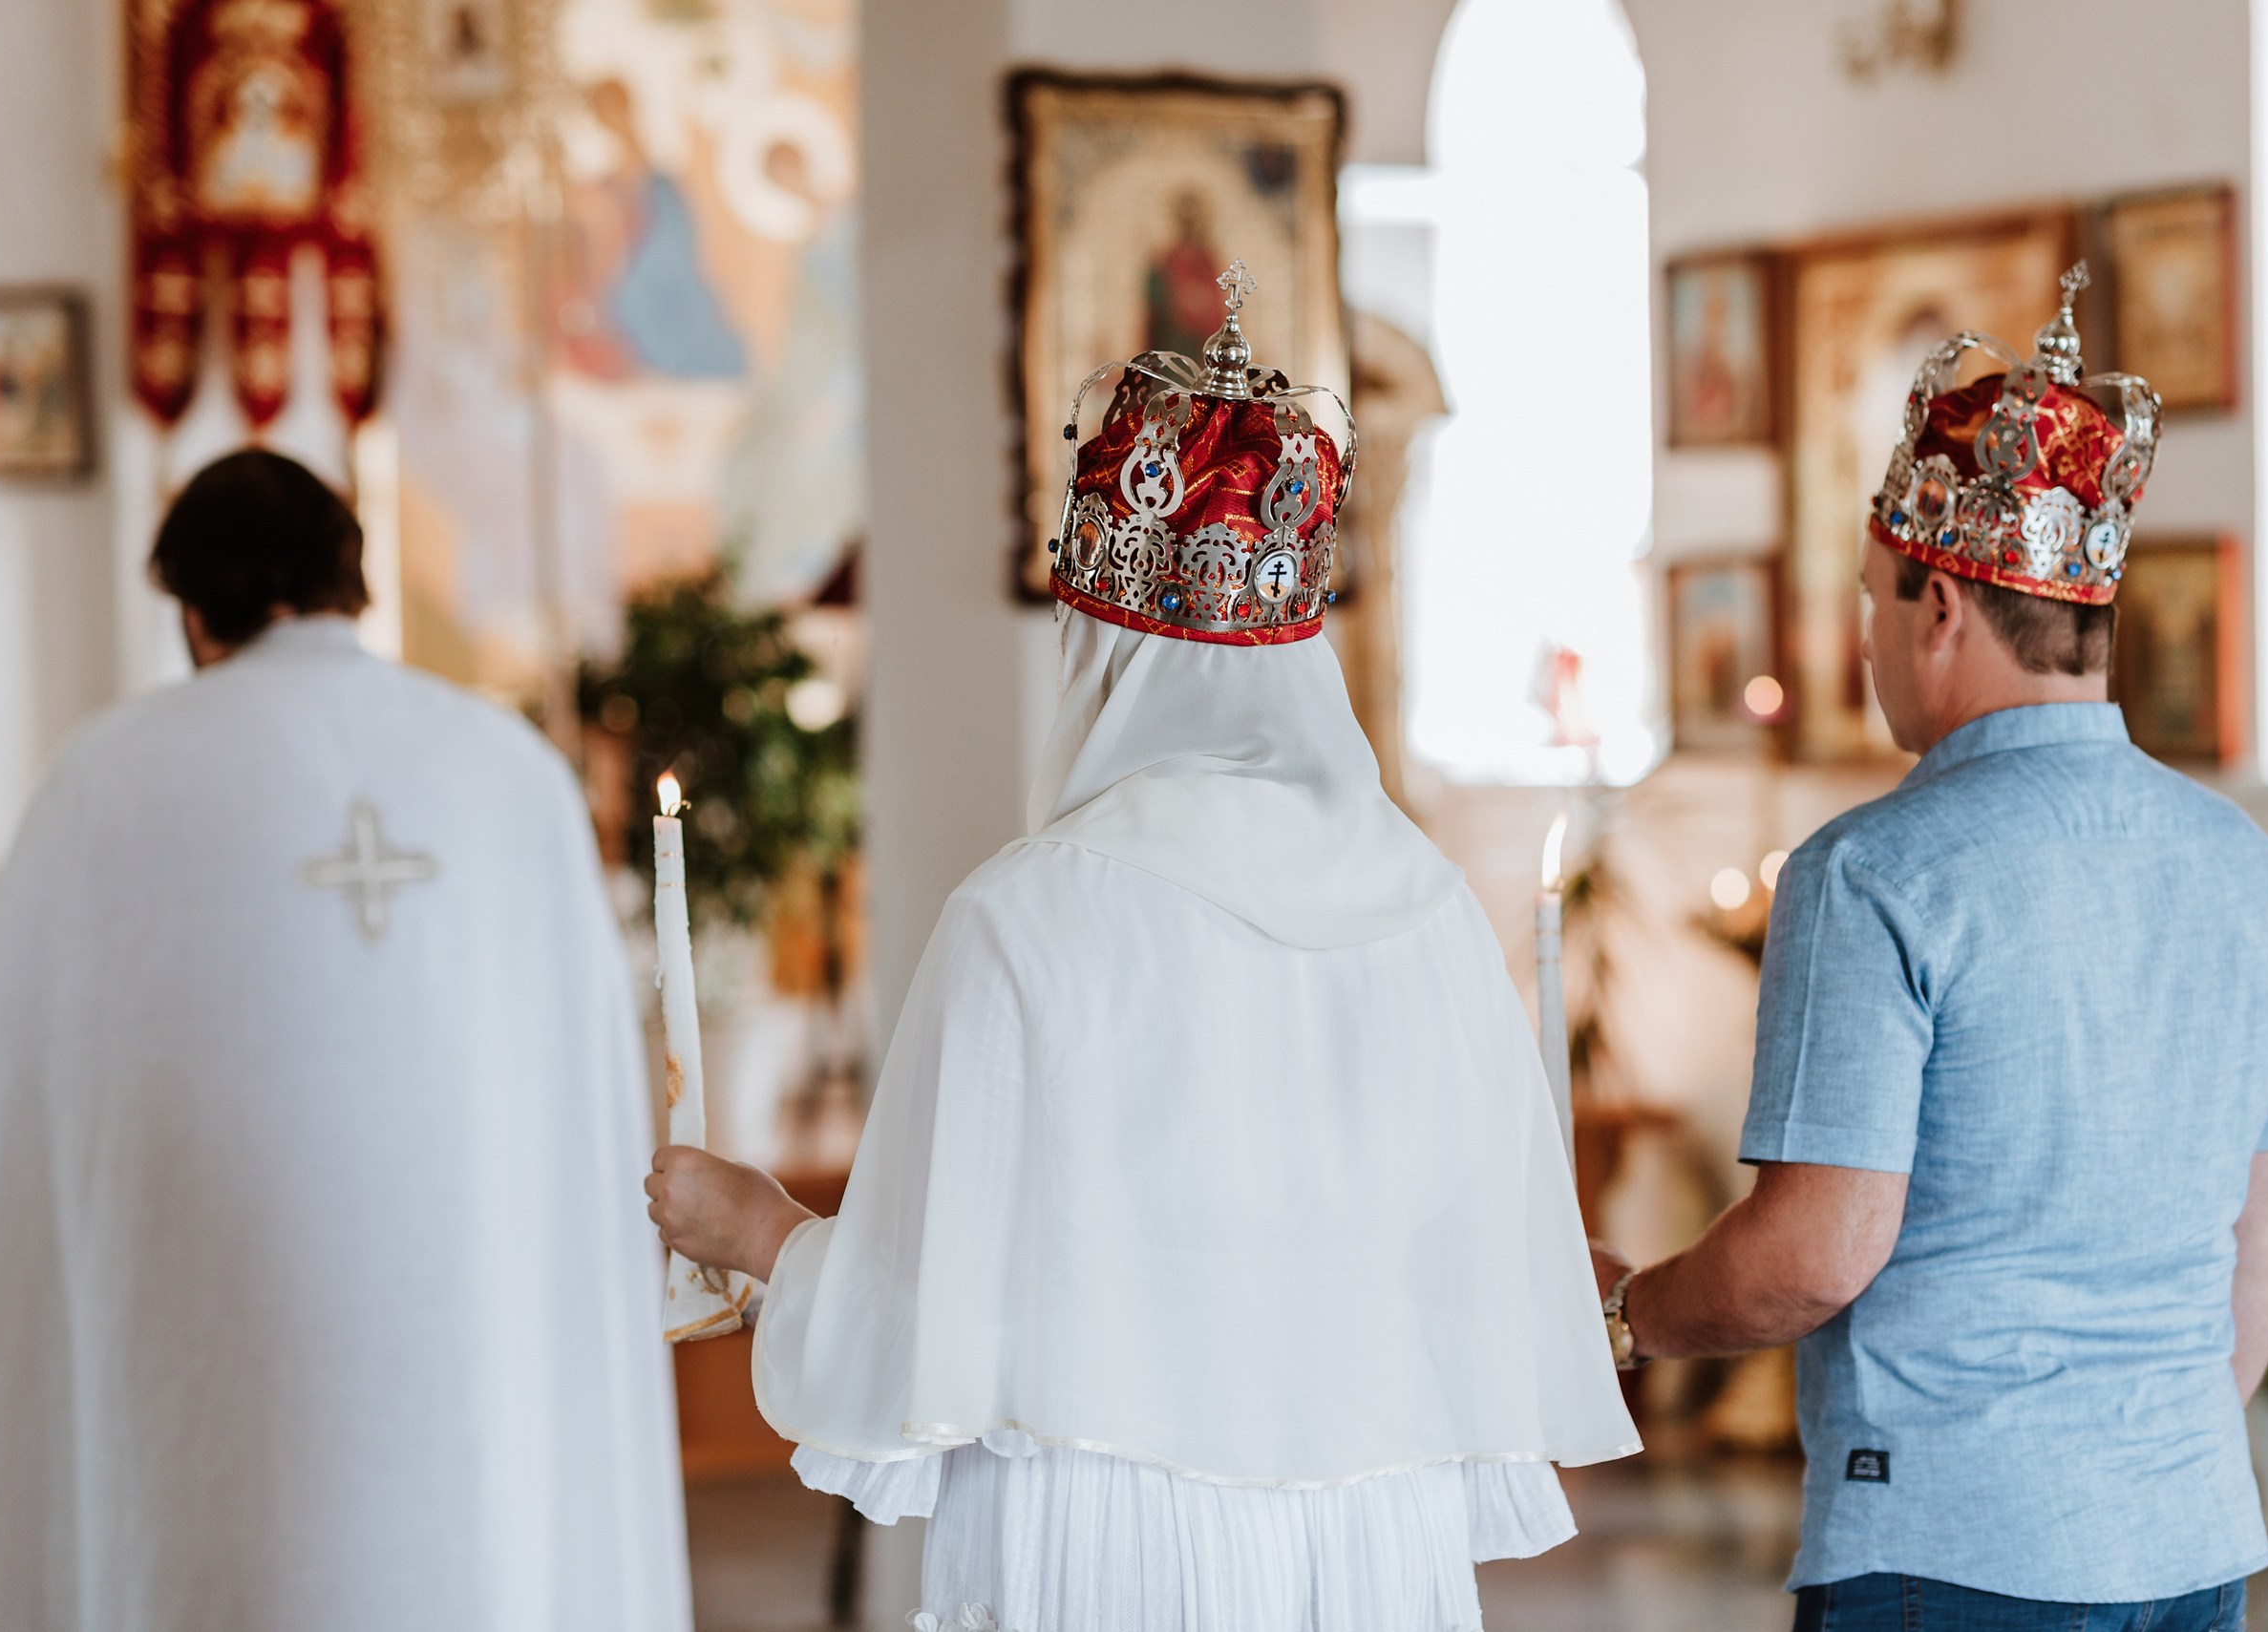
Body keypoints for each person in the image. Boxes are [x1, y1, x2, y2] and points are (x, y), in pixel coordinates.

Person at [647, 273, 1639, 1630]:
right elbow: (1480, 1276)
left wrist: (760, 1230)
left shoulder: (1026, 915)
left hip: (1102, 1531)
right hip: (1371, 1525)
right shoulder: (1434, 910)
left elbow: (923, 1321)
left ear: (1106, 644)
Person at [1595, 271, 2268, 1630]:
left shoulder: (1875, 869)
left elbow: (1816, 1251)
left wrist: (1630, 1313)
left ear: (1940, 610)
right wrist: (2131, 1469)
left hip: (1950, 1548)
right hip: (2187, 1542)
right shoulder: (2254, 873)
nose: (1869, 639)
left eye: (1876, 601)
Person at [0, 450, 689, 1630]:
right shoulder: (514, 775)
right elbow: (580, 1100)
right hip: (475, 1364)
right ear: (355, 580)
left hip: (210, 1383)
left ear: (194, 608)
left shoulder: (110, 778)